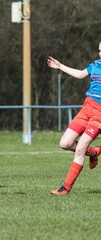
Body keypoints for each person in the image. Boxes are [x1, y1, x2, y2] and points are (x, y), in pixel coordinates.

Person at [47, 41, 101, 195]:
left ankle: (66, 188)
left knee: (80, 148)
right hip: (86, 109)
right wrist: (60, 66)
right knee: (65, 143)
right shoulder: (96, 64)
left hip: (99, 114)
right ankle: (93, 153)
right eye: (99, 50)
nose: (100, 54)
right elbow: (80, 74)